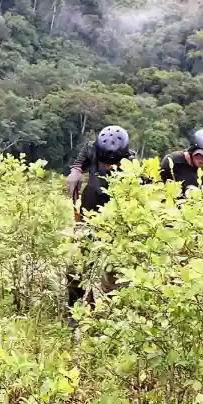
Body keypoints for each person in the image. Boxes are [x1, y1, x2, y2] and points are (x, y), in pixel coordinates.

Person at [64, 126, 136, 318]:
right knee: (75, 269)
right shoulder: (93, 149)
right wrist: (76, 171)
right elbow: (80, 161)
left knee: (115, 277)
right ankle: (77, 313)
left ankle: (112, 318)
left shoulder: (131, 163)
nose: (105, 164)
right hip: (87, 220)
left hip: (115, 227)